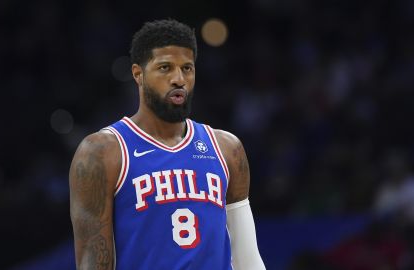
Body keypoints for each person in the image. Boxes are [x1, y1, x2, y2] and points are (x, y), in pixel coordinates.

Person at [69, 19, 266, 270]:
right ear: (138, 74)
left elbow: (247, 259)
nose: (178, 79)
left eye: (187, 68)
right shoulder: (102, 152)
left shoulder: (227, 149)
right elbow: (93, 263)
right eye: (165, 68)